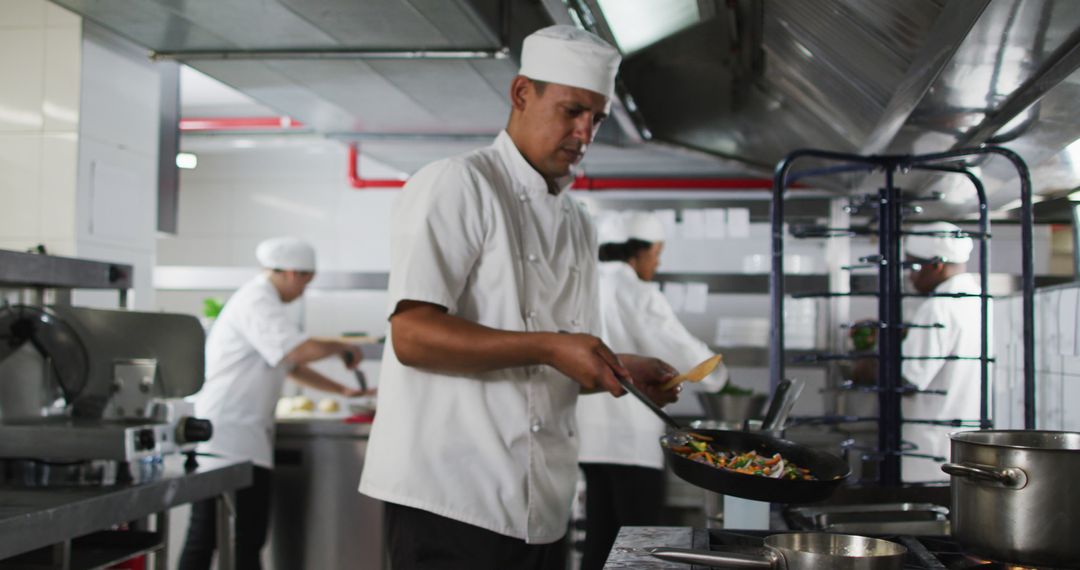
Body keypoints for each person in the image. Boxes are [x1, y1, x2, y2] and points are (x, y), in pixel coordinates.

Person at [359, 25, 680, 570]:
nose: (584, 132)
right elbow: (412, 335)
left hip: (541, 504)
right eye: (572, 110)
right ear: (522, 94)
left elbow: (550, 360)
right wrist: (553, 348)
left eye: (596, 118)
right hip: (450, 499)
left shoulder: (577, 223)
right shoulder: (459, 184)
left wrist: (615, 370)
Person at [179, 236, 370, 570]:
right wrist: (343, 345)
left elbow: (290, 365)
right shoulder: (257, 300)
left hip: (239, 436)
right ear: (294, 273)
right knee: (215, 535)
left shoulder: (261, 300)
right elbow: (294, 351)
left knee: (239, 535)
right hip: (226, 435)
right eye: (306, 283)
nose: (303, 292)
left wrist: (343, 391)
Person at [576, 211, 728, 570]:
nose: (657, 264)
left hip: (588, 436)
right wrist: (720, 377)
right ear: (639, 252)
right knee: (641, 540)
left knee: (599, 536)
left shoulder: (586, 285)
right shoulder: (636, 291)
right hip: (629, 437)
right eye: (657, 254)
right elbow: (681, 348)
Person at [852, 222, 982, 482]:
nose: (909, 277)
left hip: (931, 450)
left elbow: (906, 380)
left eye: (913, 267)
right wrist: (896, 335)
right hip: (963, 441)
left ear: (936, 265)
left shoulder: (938, 308)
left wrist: (866, 368)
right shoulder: (974, 299)